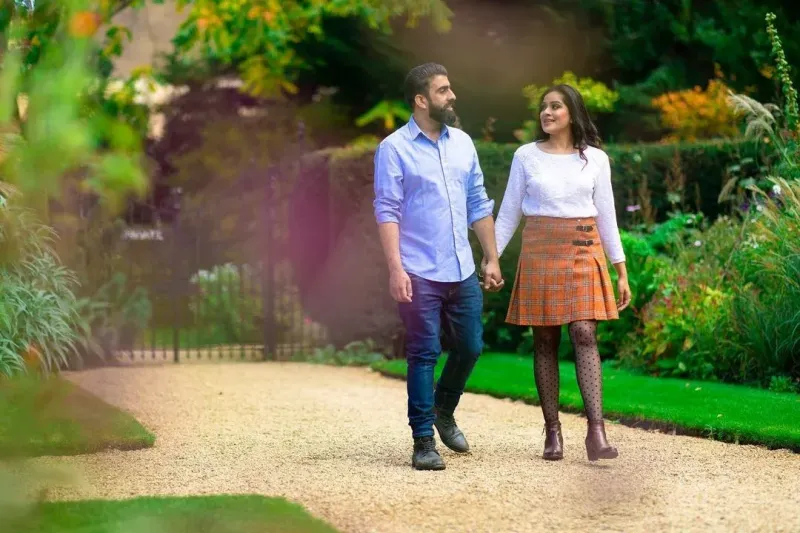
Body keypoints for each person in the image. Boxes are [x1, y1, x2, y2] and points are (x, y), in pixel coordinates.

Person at [373, 62, 504, 471]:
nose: (452, 96)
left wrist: (491, 256)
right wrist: (396, 269)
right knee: (424, 353)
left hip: (461, 266)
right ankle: (423, 441)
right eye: (443, 90)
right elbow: (387, 210)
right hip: (418, 269)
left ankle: (444, 410)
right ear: (421, 99)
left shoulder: (463, 143)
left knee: (470, 347)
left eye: (450, 89)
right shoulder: (394, 148)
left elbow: (478, 203)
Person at [490, 83, 631, 462]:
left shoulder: (596, 159)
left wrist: (621, 270)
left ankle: (596, 433)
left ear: (572, 113)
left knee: (585, 331)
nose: (547, 113)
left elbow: (608, 216)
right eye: (544, 107)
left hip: (584, 249)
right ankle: (553, 432)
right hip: (539, 250)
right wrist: (492, 257)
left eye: (556, 106)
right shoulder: (526, 156)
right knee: (545, 341)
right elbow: (509, 213)